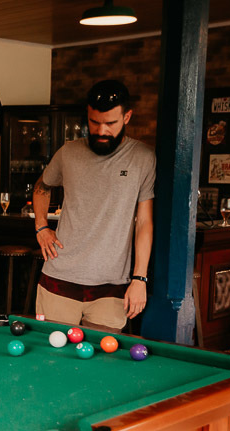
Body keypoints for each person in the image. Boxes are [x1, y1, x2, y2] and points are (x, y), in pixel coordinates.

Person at [32, 79, 154, 332]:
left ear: (127, 117)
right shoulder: (68, 152)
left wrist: (140, 278)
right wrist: (41, 226)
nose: (101, 131)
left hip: (111, 285)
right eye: (94, 122)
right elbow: (41, 187)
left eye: (110, 123)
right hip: (59, 278)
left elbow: (144, 222)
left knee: (102, 361)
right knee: (52, 360)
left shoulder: (143, 158)